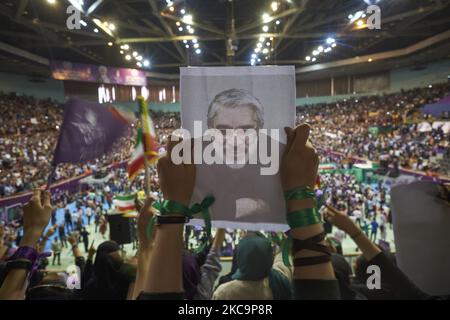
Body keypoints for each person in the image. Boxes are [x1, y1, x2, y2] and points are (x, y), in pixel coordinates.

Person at [213, 233, 293, 300]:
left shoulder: (223, 293)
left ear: (239, 258)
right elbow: (283, 267)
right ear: (270, 260)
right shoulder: (279, 285)